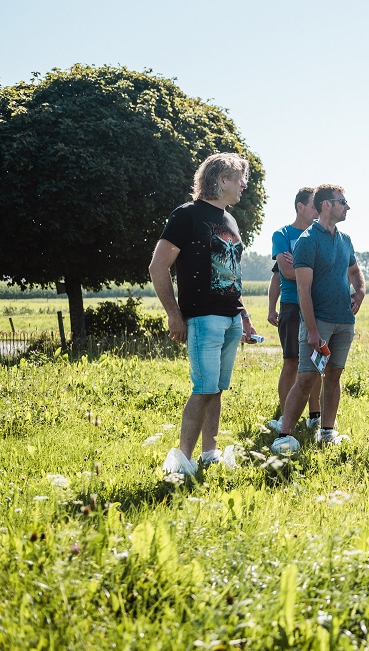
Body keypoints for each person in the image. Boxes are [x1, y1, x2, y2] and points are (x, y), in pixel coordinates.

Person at [149, 152, 255, 474]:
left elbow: (230, 274)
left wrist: (244, 316)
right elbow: (158, 266)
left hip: (231, 319)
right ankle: (181, 462)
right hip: (203, 318)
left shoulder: (231, 220)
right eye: (239, 178)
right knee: (204, 388)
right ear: (221, 180)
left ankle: (210, 453)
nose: (244, 185)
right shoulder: (187, 215)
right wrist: (174, 314)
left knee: (217, 389)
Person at [270, 185, 365, 453]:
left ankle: (327, 431)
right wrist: (312, 330)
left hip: (344, 321)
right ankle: (284, 435)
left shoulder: (345, 239)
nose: (347, 207)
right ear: (326, 205)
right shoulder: (307, 241)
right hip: (319, 322)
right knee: (307, 377)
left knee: (334, 375)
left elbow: (355, 271)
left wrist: (359, 291)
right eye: (342, 202)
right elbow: (303, 290)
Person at [266, 187, 321, 431]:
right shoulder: (282, 234)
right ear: (300, 206)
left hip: (318, 306)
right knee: (291, 362)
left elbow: (295, 270)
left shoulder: (320, 234)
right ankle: (285, 416)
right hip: (291, 306)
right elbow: (284, 273)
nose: (318, 212)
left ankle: (315, 416)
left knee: (316, 362)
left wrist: (300, 266)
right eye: (314, 206)